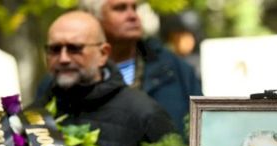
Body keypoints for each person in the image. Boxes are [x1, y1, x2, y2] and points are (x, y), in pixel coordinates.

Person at [33, 10, 175, 146]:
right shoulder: (33, 116)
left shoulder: (144, 114)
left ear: (103, 54)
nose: (63, 58)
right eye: (55, 49)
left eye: (75, 48)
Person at [79, 0, 202, 137]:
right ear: (94, 18)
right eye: (120, 8)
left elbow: (205, 127)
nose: (132, 16)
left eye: (134, 8)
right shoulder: (77, 71)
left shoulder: (173, 68)